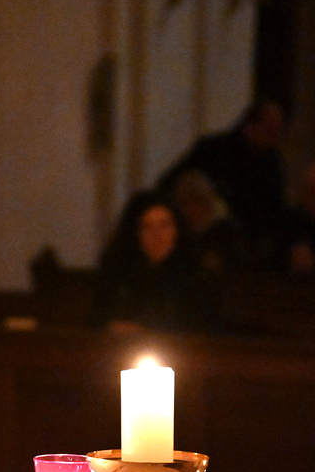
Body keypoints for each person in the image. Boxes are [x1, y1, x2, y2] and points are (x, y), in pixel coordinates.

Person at [157, 101, 286, 259]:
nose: (275, 138)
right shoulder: (213, 151)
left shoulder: (272, 164)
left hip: (245, 248)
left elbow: (275, 212)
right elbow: (168, 185)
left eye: (278, 132)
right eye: (269, 130)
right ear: (249, 128)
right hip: (199, 242)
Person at [91, 191, 218, 332]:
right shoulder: (118, 277)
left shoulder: (196, 280)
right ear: (134, 233)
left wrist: (146, 332)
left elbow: (204, 332)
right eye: (147, 227)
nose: (158, 235)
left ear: (177, 229)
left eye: (165, 225)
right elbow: (96, 323)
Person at [168, 168, 247, 274]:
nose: (190, 209)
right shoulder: (178, 234)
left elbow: (239, 265)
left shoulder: (227, 232)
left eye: (197, 201)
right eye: (184, 203)